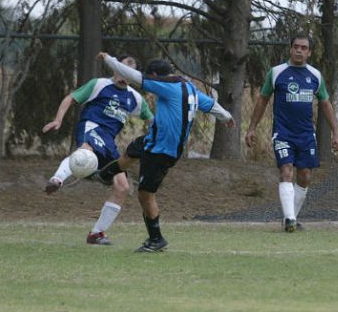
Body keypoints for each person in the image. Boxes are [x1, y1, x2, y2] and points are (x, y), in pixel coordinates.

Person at [97, 52, 235, 252]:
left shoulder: (167, 86)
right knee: (131, 153)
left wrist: (110, 61)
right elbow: (210, 105)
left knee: (145, 194)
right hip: (153, 139)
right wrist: (226, 116)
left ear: (156, 75)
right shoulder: (189, 88)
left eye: (151, 76)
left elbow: (135, 77)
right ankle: (103, 175)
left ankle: (156, 240)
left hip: (163, 151)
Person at [42, 55, 153, 246]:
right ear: (114, 68)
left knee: (122, 186)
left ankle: (96, 233)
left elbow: (151, 120)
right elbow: (71, 98)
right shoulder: (99, 84)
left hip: (109, 141)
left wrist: (157, 137)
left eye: (129, 72)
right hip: (91, 127)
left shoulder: (135, 98)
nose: (123, 74)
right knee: (86, 151)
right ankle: (57, 179)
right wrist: (58, 119)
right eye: (121, 68)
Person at [244, 34, 338, 232]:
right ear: (290, 49)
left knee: (305, 176)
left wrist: (336, 133)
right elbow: (262, 100)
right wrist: (252, 128)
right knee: (286, 170)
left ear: (309, 52)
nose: (299, 50)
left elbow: (325, 103)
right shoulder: (277, 73)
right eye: (296, 46)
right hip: (283, 133)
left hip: (306, 134)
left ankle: (291, 218)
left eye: (304, 47)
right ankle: (289, 219)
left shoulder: (315, 76)